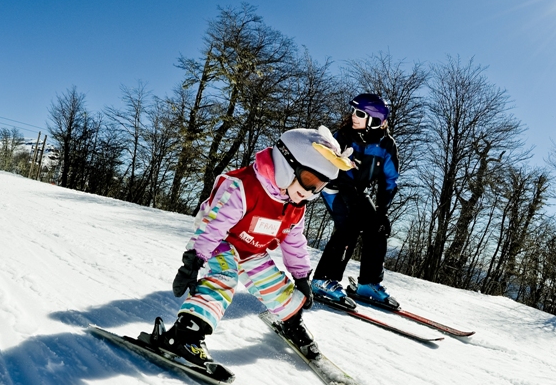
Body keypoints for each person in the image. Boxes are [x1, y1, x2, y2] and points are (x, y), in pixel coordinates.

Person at [150, 127, 353, 370]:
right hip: (221, 243)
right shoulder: (243, 187)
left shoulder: (296, 206)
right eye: (308, 180)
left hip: (252, 249)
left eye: (319, 186)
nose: (309, 192)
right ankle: (184, 334)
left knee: (276, 286)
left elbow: (294, 240)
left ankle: (291, 322)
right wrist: (194, 259)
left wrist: (300, 277)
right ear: (287, 164)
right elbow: (213, 225)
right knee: (224, 279)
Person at [311, 93, 400, 310]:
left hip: (359, 191)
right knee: (349, 225)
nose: (353, 116)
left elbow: (389, 180)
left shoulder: (386, 146)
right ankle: (323, 280)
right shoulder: (342, 136)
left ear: (375, 120)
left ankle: (368, 283)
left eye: (360, 113)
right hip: (334, 187)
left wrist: (382, 210)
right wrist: (347, 190)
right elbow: (329, 164)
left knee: (377, 228)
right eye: (353, 111)